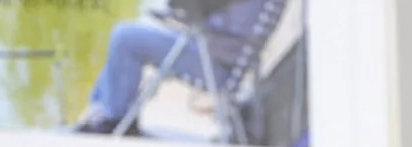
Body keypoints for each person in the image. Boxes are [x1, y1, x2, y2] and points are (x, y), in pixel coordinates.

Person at [75, 0, 271, 135]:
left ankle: (112, 118)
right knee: (136, 31)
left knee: (125, 36)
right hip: (217, 54)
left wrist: (179, 8)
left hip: (213, 63)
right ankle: (104, 111)